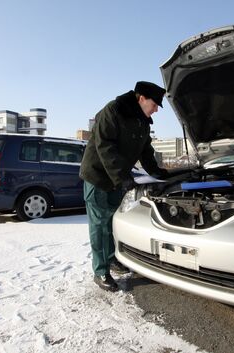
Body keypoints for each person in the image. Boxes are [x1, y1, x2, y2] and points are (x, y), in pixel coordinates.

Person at [80, 81, 169, 291]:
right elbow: (105, 147)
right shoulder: (113, 111)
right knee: (100, 225)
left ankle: (112, 259)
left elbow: (145, 149)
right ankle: (100, 271)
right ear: (141, 99)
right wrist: (123, 177)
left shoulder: (143, 122)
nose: (156, 109)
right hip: (98, 177)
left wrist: (155, 171)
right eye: (155, 104)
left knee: (112, 222)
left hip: (116, 179)